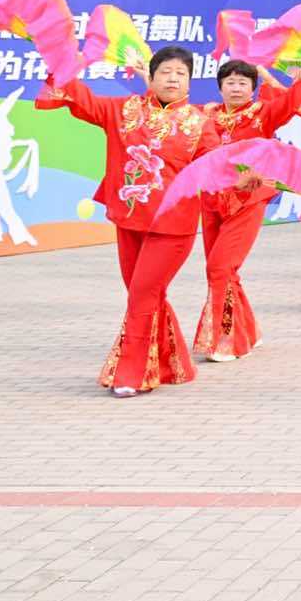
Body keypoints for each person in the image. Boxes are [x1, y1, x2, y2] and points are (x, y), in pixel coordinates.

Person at [36, 44, 214, 396]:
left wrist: (245, 174)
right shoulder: (123, 110)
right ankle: (171, 363)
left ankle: (130, 373)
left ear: (190, 81)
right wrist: (59, 59)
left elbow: (216, 167)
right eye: (166, 72)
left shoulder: (199, 124)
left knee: (142, 296)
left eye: (181, 74)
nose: (173, 79)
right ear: (151, 77)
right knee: (144, 294)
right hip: (129, 221)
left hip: (172, 227)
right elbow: (82, 98)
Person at [193, 58, 301, 361]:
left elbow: (290, 103)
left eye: (243, 83)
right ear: (220, 87)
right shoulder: (205, 115)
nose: (236, 88)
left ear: (253, 88)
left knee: (220, 267)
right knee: (223, 270)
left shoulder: (262, 114)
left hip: (248, 200)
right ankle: (249, 331)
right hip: (213, 200)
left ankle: (227, 341)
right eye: (230, 82)